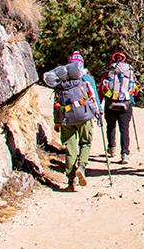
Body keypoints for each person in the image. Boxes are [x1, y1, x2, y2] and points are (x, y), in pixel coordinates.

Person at [43, 51, 102, 191]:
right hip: (84, 115)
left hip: (66, 118)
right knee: (86, 142)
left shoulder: (61, 82)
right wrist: (98, 111)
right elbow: (93, 95)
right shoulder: (85, 78)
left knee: (70, 148)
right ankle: (81, 166)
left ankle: (71, 182)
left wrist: (57, 122)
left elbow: (56, 104)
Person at [100, 51, 140, 164]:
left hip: (111, 102)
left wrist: (102, 101)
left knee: (111, 126)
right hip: (126, 104)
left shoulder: (109, 71)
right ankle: (125, 153)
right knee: (124, 129)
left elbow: (102, 87)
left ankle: (112, 148)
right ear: (124, 60)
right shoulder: (130, 71)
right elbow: (136, 89)